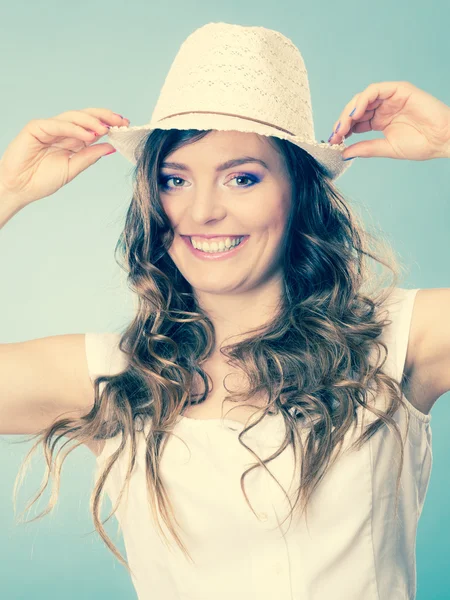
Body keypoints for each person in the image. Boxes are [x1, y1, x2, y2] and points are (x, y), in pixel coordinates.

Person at [1, 21, 449, 600]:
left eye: (242, 177)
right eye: (175, 179)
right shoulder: (113, 377)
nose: (204, 210)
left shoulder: (397, 340)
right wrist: (5, 190)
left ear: (299, 191)